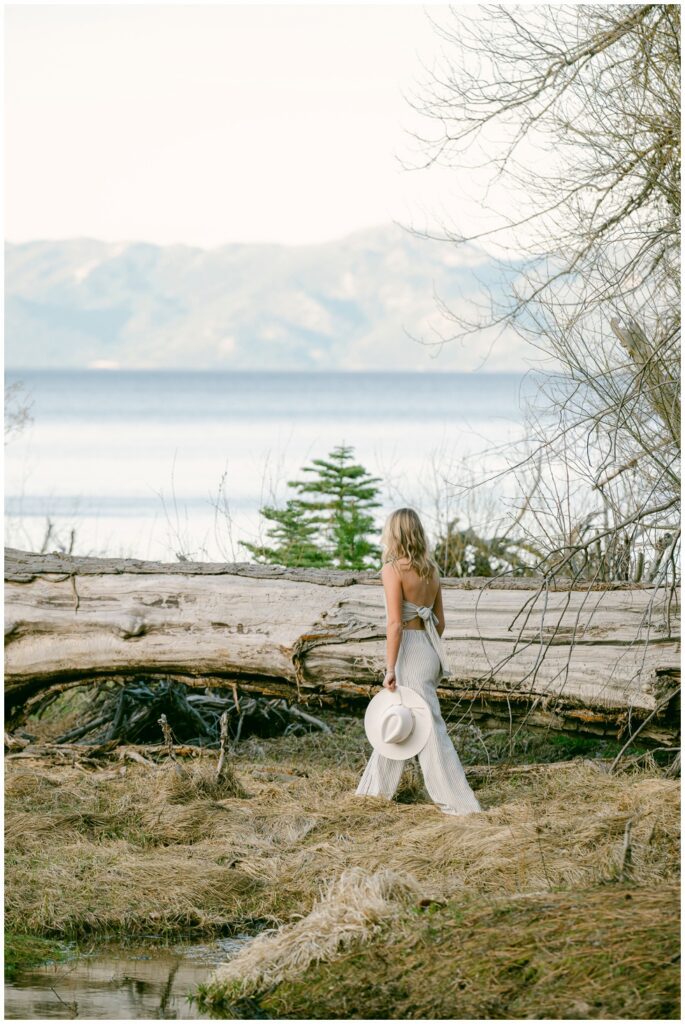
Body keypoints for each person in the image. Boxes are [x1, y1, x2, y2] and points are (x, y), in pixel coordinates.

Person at [355, 507, 482, 816]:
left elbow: (395, 624)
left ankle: (460, 803)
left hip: (409, 651)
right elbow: (440, 623)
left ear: (394, 534)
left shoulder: (392, 569)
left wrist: (390, 668)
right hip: (428, 648)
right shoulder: (431, 570)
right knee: (401, 719)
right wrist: (426, 647)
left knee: (427, 728)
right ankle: (373, 793)